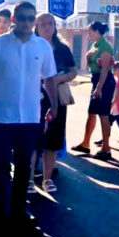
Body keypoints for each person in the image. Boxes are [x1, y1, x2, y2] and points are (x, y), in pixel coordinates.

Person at [0, 2, 59, 229]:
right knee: (0, 166)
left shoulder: (42, 47)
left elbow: (49, 78)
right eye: (21, 17)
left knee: (24, 167)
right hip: (1, 117)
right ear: (14, 18)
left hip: (30, 118)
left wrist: (55, 105)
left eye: (30, 18)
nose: (26, 22)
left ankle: (18, 211)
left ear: (34, 21)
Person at [34, 13, 78, 193]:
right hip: (33, 97)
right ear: (36, 27)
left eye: (50, 23)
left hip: (56, 98)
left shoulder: (62, 48)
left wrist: (60, 78)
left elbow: (73, 71)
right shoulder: (30, 46)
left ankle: (47, 179)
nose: (46, 26)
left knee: (52, 140)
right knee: (33, 140)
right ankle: (28, 181)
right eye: (42, 23)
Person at [72, 21, 116, 161]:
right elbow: (91, 63)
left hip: (104, 82)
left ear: (97, 31)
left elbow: (105, 70)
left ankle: (106, 148)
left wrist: (99, 88)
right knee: (91, 113)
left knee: (103, 115)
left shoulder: (105, 47)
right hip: (96, 79)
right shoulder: (96, 45)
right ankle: (85, 144)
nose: (89, 34)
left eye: (90, 31)